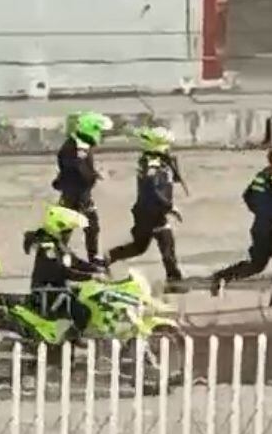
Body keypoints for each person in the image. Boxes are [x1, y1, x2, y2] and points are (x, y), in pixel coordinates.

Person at [211, 147, 272, 308]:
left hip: (262, 227)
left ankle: (221, 277)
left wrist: (261, 212)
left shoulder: (262, 175)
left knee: (257, 265)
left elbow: (248, 195)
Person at [106, 126, 186, 288]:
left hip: (151, 210)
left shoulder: (158, 161)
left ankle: (109, 257)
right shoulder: (153, 164)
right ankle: (174, 280)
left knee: (140, 247)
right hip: (150, 211)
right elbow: (152, 188)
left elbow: (170, 180)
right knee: (166, 245)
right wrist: (169, 207)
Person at [22, 204, 101, 341]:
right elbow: (62, 272)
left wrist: (98, 268)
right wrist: (90, 277)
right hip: (48, 292)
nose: (69, 234)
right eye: (67, 231)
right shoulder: (48, 247)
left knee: (89, 299)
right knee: (83, 311)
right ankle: (74, 338)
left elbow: (76, 262)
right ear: (57, 228)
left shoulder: (58, 245)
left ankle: (74, 336)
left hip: (58, 289)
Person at [52, 111, 111, 267]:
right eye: (97, 130)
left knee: (91, 226)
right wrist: (93, 175)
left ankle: (93, 257)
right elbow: (78, 172)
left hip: (81, 193)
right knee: (67, 227)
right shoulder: (74, 148)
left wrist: (94, 173)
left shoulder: (82, 146)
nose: (99, 134)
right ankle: (57, 259)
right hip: (74, 194)